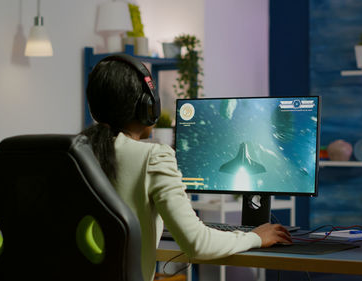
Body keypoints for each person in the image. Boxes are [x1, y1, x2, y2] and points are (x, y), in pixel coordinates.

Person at [82, 54, 292, 281]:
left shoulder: (74, 153)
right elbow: (197, 243)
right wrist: (255, 237)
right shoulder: (153, 156)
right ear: (148, 106)